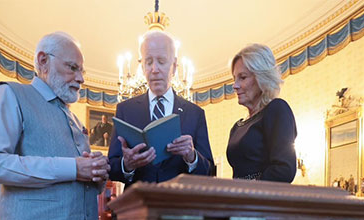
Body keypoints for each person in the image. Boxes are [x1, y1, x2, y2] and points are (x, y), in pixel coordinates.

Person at [0, 31, 110, 220]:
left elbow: (84, 182)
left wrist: (97, 173)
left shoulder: (72, 116)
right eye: (72, 68)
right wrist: (74, 168)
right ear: (43, 61)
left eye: (82, 71)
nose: (80, 78)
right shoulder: (12, 94)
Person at [108, 30, 214, 185]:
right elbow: (111, 168)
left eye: (161, 61)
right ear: (142, 66)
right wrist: (127, 164)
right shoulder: (125, 110)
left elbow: (210, 172)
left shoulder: (195, 113)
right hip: (137, 205)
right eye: (149, 62)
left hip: (179, 206)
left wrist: (191, 156)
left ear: (175, 66)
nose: (154, 69)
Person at [226, 44, 297, 182]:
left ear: (262, 78)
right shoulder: (236, 127)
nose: (235, 85)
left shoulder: (277, 109)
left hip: (262, 200)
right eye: (234, 78)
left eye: (243, 77)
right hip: (239, 200)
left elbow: (284, 170)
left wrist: (246, 190)